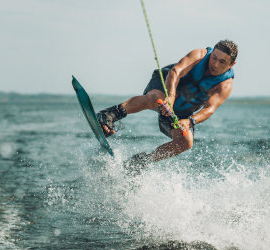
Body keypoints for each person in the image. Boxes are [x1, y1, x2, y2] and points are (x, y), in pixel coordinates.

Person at [96, 39, 237, 170]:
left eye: (222, 62)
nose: (215, 64)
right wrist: (170, 98)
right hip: (164, 84)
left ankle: (141, 162)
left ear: (231, 64)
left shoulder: (225, 85)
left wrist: (190, 121)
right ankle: (109, 114)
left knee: (186, 142)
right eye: (214, 58)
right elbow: (175, 72)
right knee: (157, 99)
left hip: (180, 112)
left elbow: (209, 109)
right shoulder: (199, 55)